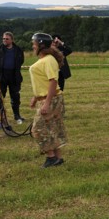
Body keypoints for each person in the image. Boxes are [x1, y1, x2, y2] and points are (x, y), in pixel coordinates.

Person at [29, 33, 67, 168]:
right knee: (52, 128)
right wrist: (35, 97)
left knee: (37, 129)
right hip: (46, 98)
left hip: (50, 99)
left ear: (41, 45)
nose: (32, 46)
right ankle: (58, 158)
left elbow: (53, 81)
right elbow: (43, 81)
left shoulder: (49, 60)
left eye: (34, 43)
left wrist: (46, 102)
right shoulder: (46, 59)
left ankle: (51, 158)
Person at [0, 32, 25, 124]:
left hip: (14, 75)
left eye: (7, 39)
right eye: (3, 38)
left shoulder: (18, 50)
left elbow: (21, 61)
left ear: (12, 39)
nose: (4, 40)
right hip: (2, 75)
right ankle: (0, 117)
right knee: (0, 97)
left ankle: (17, 115)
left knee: (15, 97)